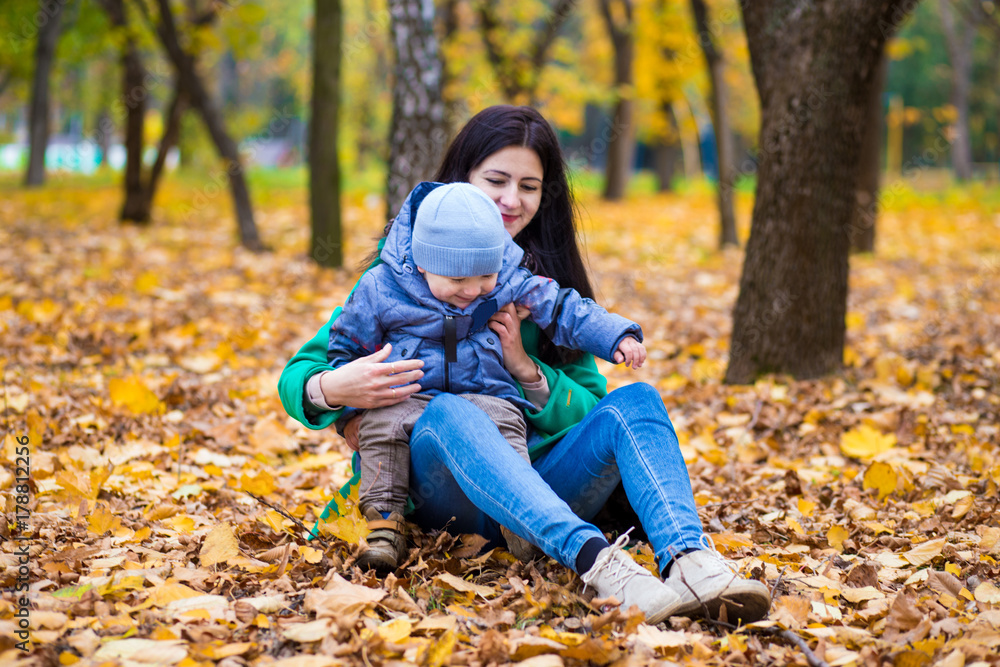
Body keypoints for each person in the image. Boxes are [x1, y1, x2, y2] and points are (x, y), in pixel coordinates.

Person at [279, 105, 771, 624]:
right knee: (451, 412)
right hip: (435, 488)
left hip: (538, 484)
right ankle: (599, 564)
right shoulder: (396, 281)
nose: (512, 200)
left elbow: (587, 404)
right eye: (496, 180)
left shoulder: (540, 287)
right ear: (460, 182)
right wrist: (336, 388)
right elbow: (301, 374)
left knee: (638, 401)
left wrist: (525, 370)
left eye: (529, 186)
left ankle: (691, 561)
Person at [327, 181, 646, 572]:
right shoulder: (382, 288)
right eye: (458, 281)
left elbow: (564, 308)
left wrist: (615, 335)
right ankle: (384, 527)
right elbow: (345, 349)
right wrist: (348, 418)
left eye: (484, 278)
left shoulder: (511, 279)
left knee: (504, 434)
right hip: (405, 394)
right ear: (423, 262)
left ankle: (520, 521)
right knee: (380, 431)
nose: (473, 291)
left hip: (487, 392)